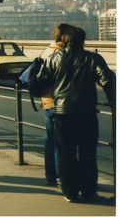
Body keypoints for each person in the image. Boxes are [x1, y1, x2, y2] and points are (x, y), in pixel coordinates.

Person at [31, 25, 115, 203]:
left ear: (65, 40)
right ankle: (89, 191)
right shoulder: (93, 58)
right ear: (83, 41)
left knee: (66, 153)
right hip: (87, 112)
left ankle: (70, 192)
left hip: (62, 112)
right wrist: (113, 100)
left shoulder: (53, 59)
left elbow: (39, 86)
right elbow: (107, 80)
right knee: (88, 152)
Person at [38, 23, 69, 187]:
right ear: (63, 38)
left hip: (46, 100)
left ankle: (50, 174)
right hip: (55, 101)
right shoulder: (58, 54)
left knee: (50, 139)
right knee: (59, 141)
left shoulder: (47, 50)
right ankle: (59, 175)